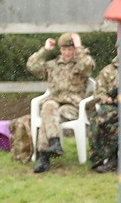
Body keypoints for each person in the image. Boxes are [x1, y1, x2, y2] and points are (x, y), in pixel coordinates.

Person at [26, 32, 94, 173]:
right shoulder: (53, 65)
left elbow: (87, 66)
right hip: (55, 102)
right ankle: (55, 143)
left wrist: (79, 46)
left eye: (70, 49)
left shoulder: (81, 63)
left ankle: (43, 157)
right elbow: (32, 66)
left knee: (49, 115)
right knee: (48, 107)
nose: (67, 53)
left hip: (73, 106)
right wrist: (45, 50)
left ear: (75, 50)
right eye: (64, 49)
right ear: (60, 50)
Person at [89, 53, 118, 173]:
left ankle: (113, 159)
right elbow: (99, 92)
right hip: (113, 107)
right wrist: (107, 98)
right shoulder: (108, 71)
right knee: (98, 120)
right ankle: (101, 157)